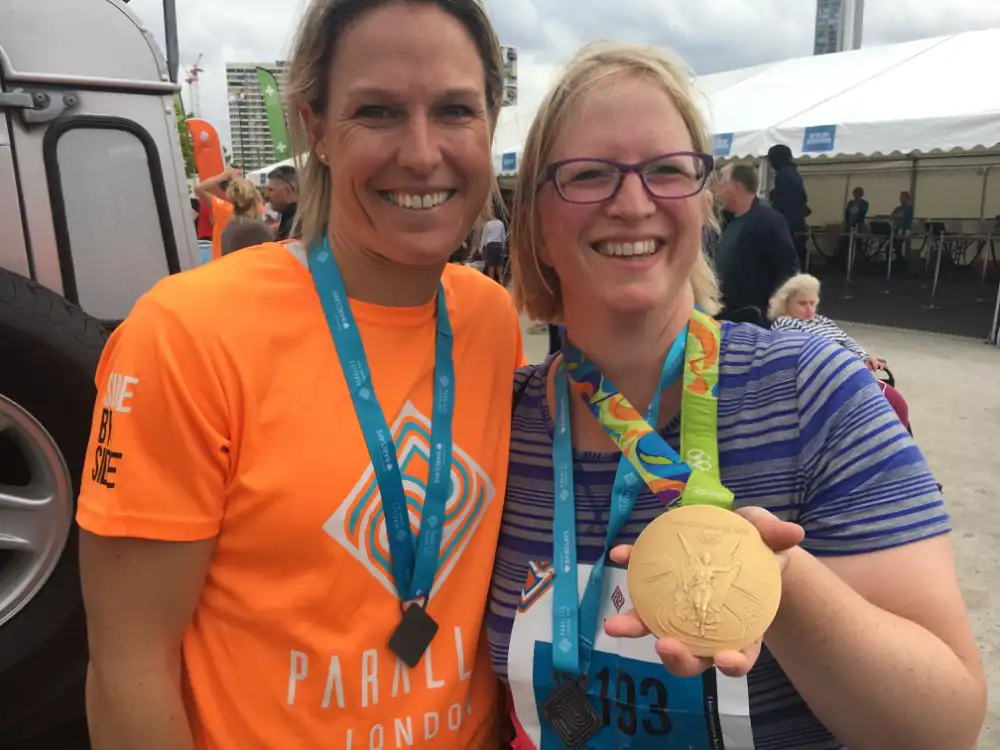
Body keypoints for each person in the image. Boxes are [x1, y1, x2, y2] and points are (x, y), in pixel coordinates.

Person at [493, 41, 985, 750]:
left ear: (703, 203)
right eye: (588, 174)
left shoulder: (809, 389)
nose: (632, 203)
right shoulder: (502, 425)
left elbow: (943, 726)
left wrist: (774, 579)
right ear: (536, 220)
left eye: (667, 170)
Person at [77, 1, 523, 748]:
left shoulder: (491, 319)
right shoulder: (187, 336)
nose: (421, 153)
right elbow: (129, 671)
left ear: (489, 123)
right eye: (377, 111)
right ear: (314, 127)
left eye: (454, 110)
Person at [768, 273, 910, 428]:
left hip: (847, 373)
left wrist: (864, 357)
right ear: (787, 302)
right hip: (827, 382)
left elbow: (846, 340)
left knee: (895, 404)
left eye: (813, 303)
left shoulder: (820, 320)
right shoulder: (785, 326)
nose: (810, 310)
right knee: (894, 404)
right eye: (803, 304)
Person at [714, 162, 799, 322]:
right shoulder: (727, 220)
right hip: (723, 315)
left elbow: (788, 268)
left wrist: (771, 310)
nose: (719, 190)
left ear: (737, 187)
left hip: (751, 319)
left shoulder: (770, 221)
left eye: (723, 184)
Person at [193, 169, 263, 261]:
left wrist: (224, 175)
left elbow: (198, 189)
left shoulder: (224, 209)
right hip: (249, 263)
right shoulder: (260, 211)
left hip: (222, 263)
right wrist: (240, 181)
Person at [767, 143, 810, 267]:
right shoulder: (793, 173)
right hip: (793, 223)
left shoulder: (783, 175)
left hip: (788, 225)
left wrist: (794, 226)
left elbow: (789, 203)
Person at [266, 164, 299, 241]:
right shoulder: (292, 218)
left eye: (271, 190)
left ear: (288, 191)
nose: (266, 195)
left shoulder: (297, 225)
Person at [481, 215, 506, 282]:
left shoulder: (487, 224)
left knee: (491, 266)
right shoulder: (500, 223)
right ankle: (501, 282)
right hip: (498, 245)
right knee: (499, 265)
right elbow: (503, 237)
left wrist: (480, 249)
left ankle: (491, 282)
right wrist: (503, 247)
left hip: (490, 246)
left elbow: (484, 237)